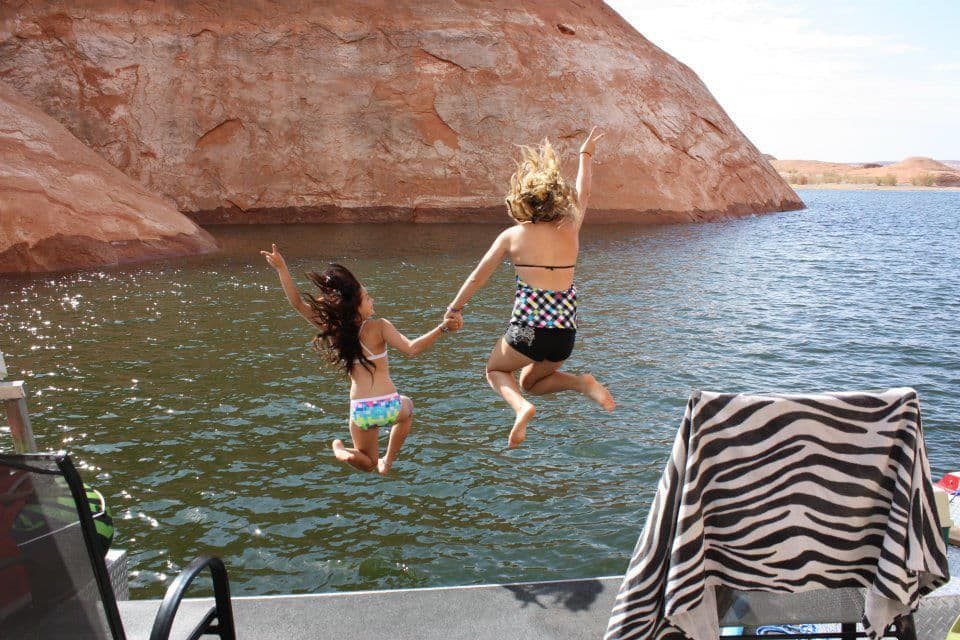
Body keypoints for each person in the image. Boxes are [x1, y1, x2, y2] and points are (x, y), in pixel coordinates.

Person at [445, 127, 615, 448]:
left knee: (495, 370)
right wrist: (585, 155)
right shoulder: (571, 226)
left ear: (522, 199)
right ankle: (582, 384)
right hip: (565, 336)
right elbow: (584, 192)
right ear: (557, 198)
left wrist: (454, 309)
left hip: (527, 332)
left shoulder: (512, 236)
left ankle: (520, 407)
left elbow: (477, 277)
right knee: (533, 381)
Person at [262, 245, 459, 474]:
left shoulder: (335, 329)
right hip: (388, 405)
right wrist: (442, 328)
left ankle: (342, 451)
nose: (372, 299)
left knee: (367, 462)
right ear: (356, 305)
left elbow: (297, 303)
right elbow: (412, 348)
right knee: (409, 409)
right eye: (367, 297)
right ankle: (389, 461)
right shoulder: (380, 327)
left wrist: (282, 268)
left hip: (360, 411)